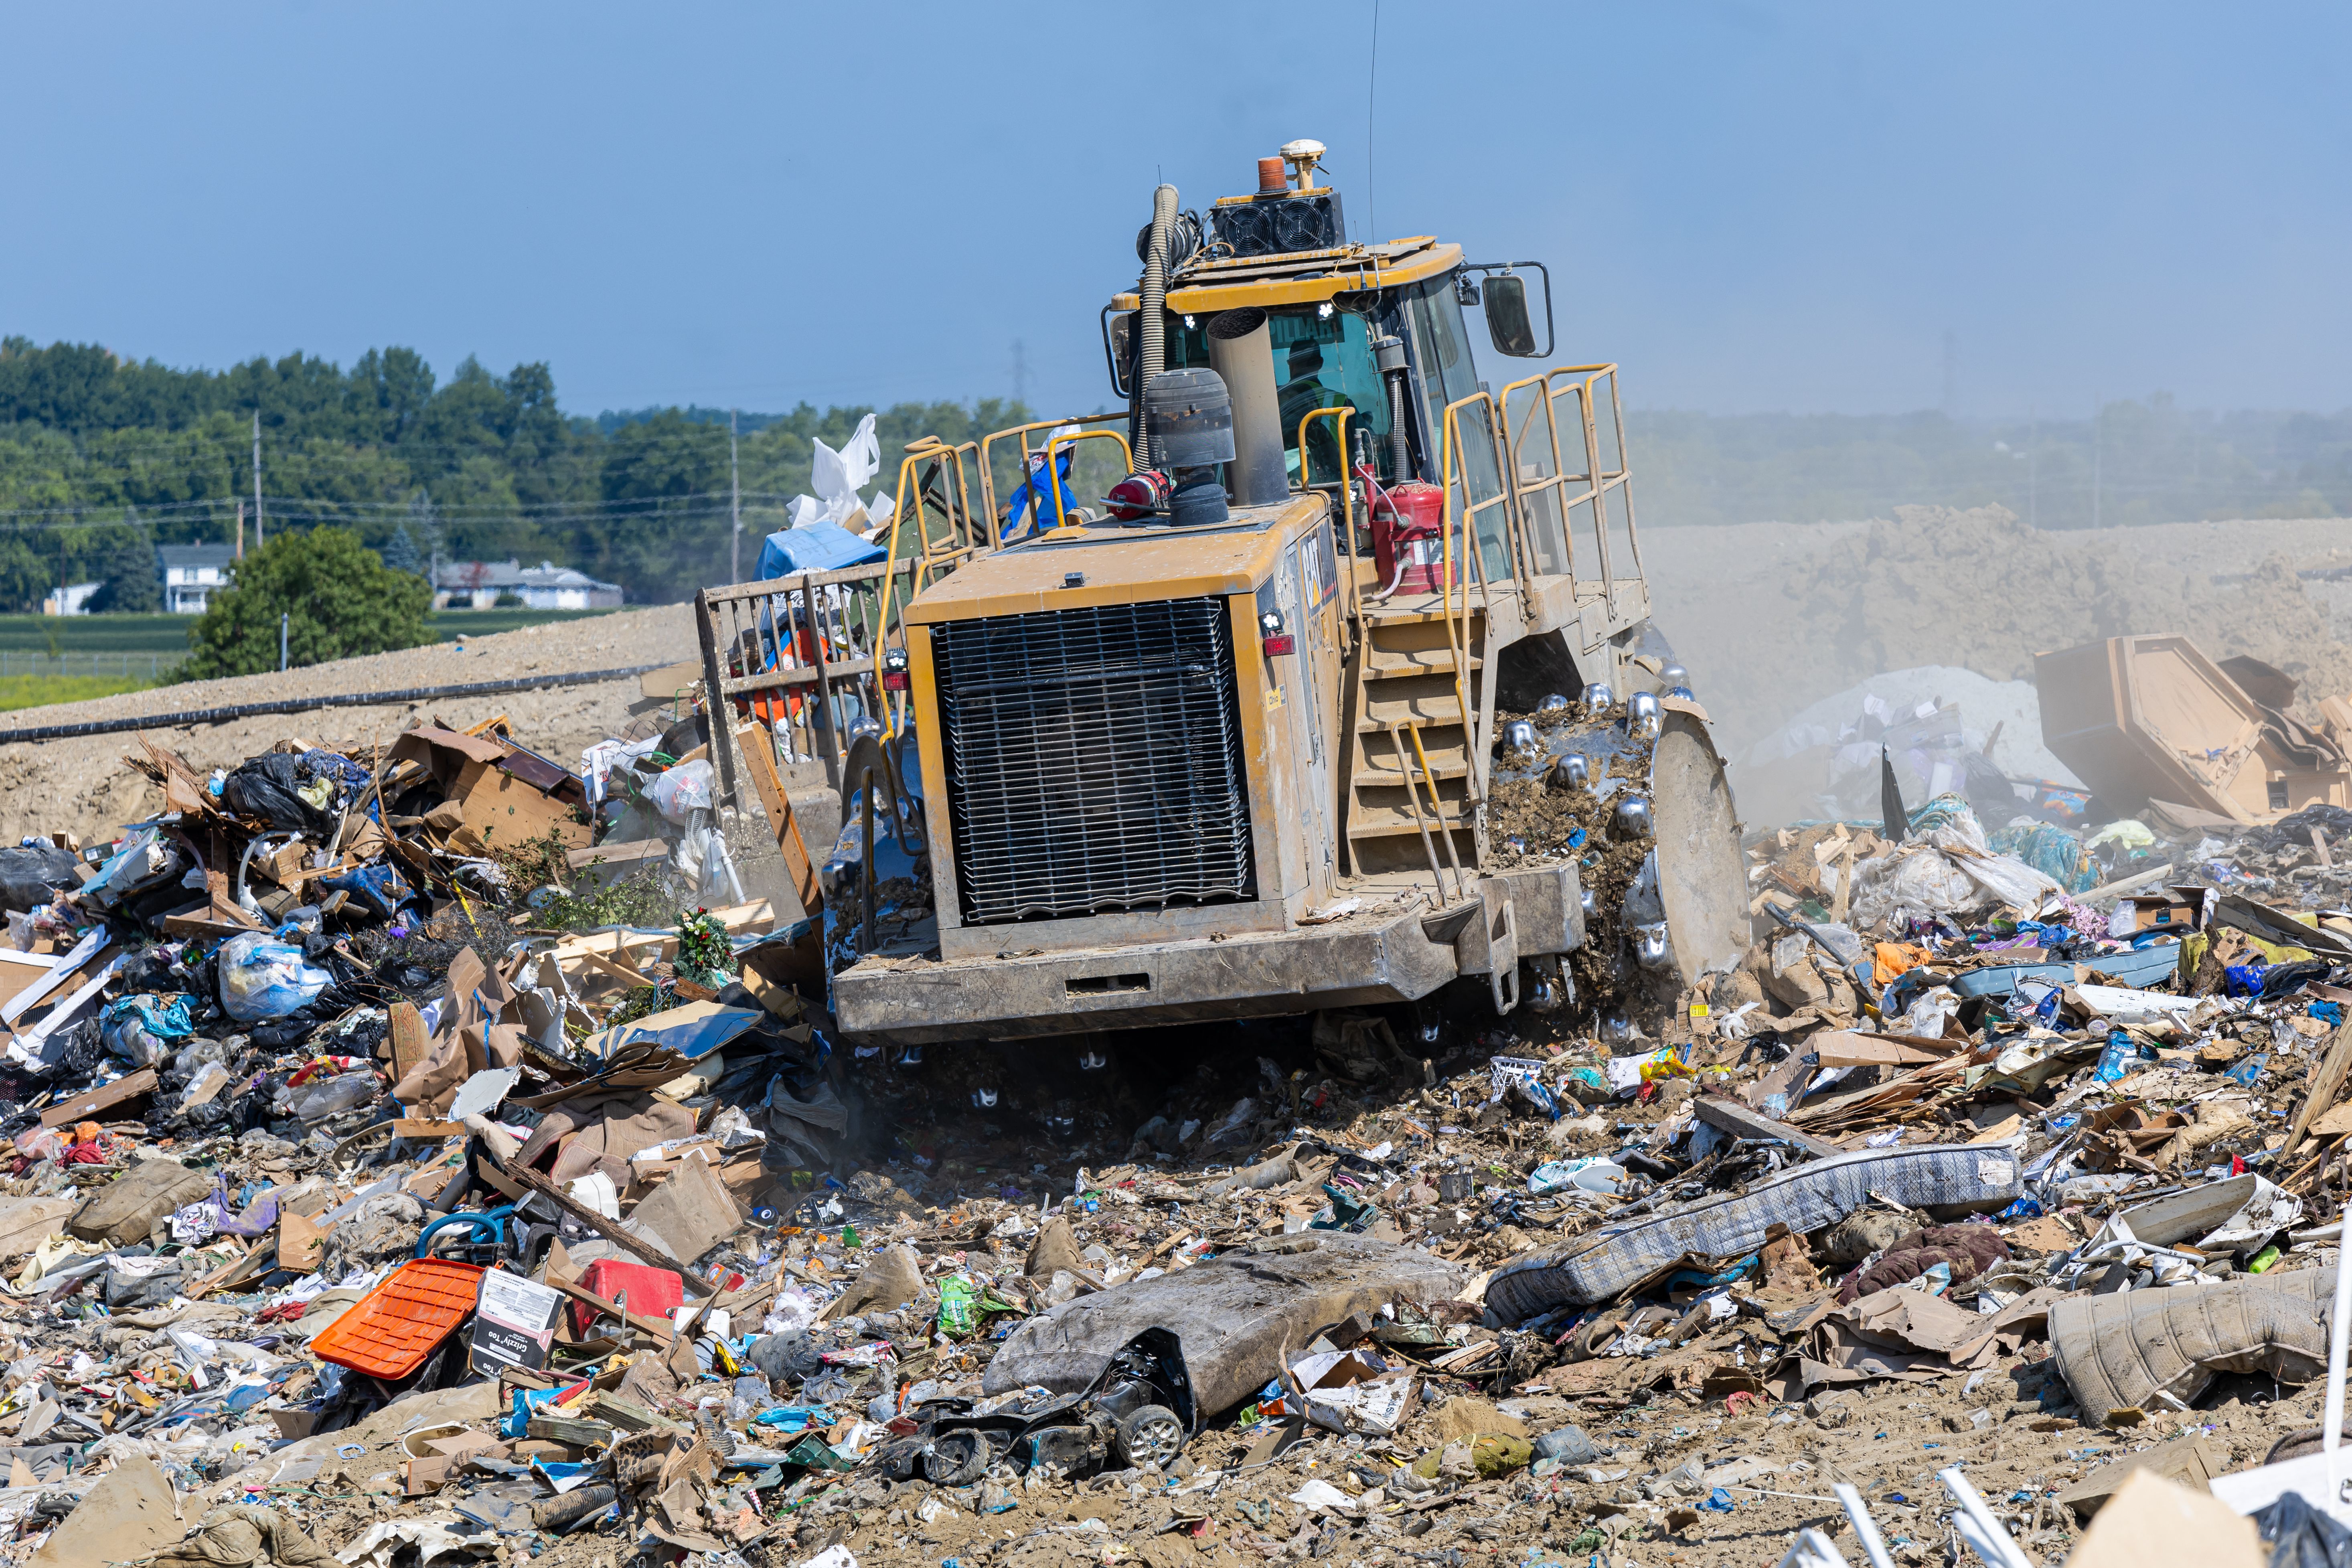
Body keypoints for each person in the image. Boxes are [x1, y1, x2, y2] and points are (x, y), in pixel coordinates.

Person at [1277, 339, 1360, 486]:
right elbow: (1361, 450)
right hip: (1335, 487)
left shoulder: (1272, 401)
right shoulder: (1341, 403)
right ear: (1320, 363)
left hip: (1280, 487)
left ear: (1290, 365)